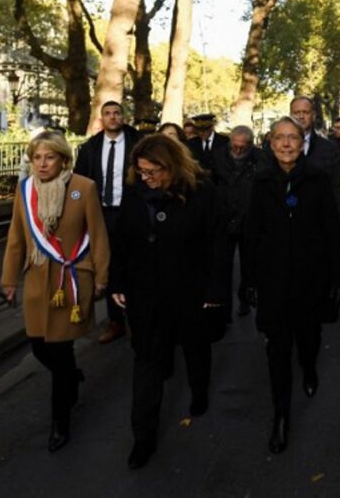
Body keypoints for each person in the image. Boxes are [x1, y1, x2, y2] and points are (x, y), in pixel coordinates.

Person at [110, 134, 228, 469]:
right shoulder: (134, 195)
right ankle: (142, 438)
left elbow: (217, 245)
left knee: (195, 347)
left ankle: (199, 391)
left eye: (154, 171)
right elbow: (122, 241)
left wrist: (215, 291)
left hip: (190, 291)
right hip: (146, 296)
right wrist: (117, 281)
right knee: (146, 364)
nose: (147, 177)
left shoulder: (202, 193)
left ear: (172, 166)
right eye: (142, 171)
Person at [2, 131, 110, 453]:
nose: (42, 163)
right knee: (39, 348)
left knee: (60, 352)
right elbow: (16, 239)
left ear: (63, 159)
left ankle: (59, 422)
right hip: (37, 281)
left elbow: (99, 234)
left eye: (49, 157)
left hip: (72, 278)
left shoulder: (83, 188)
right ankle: (71, 376)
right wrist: (8, 279)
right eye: (36, 157)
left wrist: (103, 277)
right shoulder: (25, 190)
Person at [244, 117, 340, 454]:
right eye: (280, 138)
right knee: (277, 350)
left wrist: (337, 278)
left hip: (310, 280)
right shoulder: (258, 182)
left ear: (303, 143)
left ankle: (311, 366)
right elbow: (250, 235)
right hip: (274, 284)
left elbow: (333, 232)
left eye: (293, 138)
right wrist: (249, 281)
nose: (287, 144)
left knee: (309, 337)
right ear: (270, 144)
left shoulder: (317, 180)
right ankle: (281, 416)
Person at [74, 101, 141, 345]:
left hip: (131, 211)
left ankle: (137, 317)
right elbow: (79, 182)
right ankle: (116, 321)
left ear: (124, 116)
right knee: (109, 266)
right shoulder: (91, 147)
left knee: (134, 262)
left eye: (117, 113)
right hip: (101, 213)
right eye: (108, 114)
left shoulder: (138, 142)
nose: (112, 117)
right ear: (101, 118)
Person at [212, 125, 264, 317]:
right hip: (224, 217)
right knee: (222, 264)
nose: (239, 150)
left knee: (248, 263)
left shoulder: (260, 158)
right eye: (235, 146)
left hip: (249, 218)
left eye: (243, 147)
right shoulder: (218, 156)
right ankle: (223, 305)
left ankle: (245, 299)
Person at [287, 96, 340, 236]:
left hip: (319, 227)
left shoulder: (329, 148)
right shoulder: (276, 147)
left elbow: (338, 190)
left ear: (313, 115)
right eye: (296, 112)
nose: (301, 116)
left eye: (305, 112)